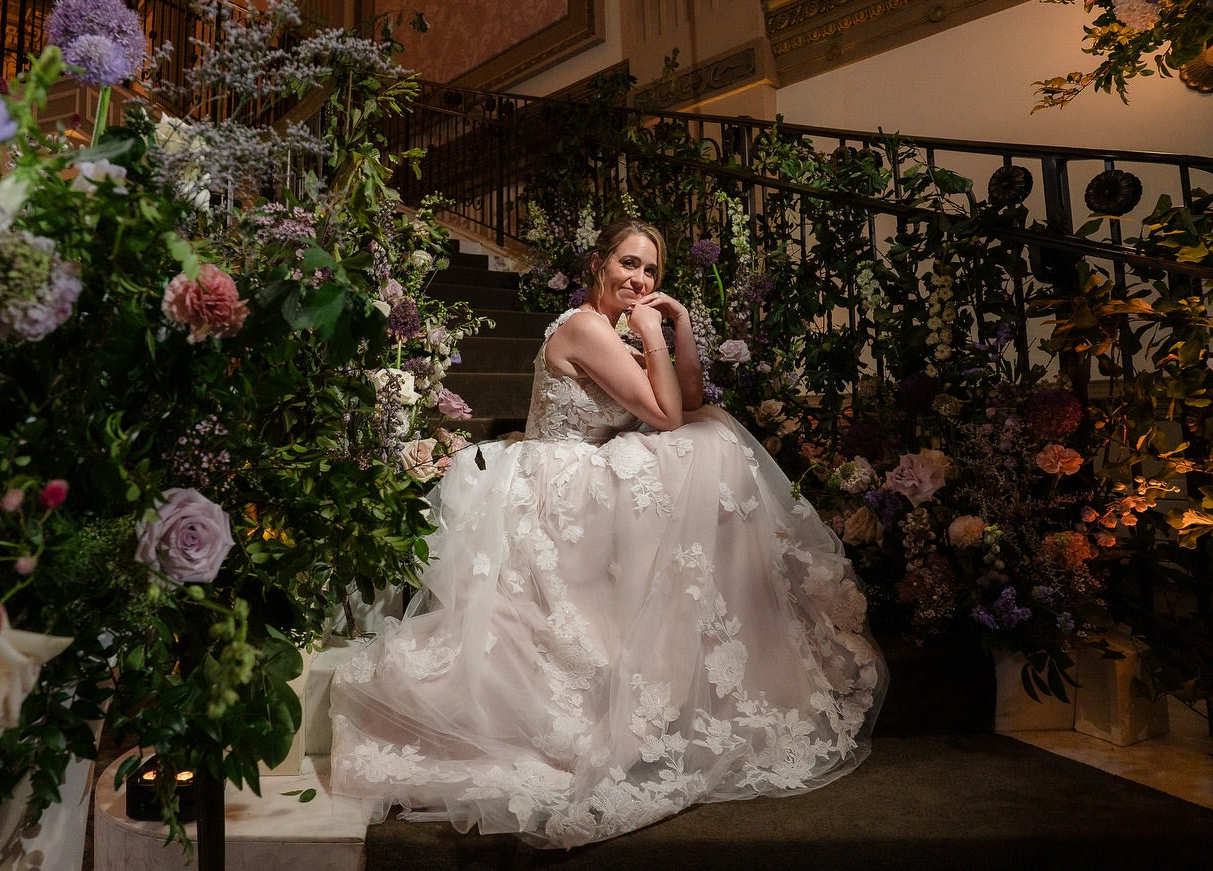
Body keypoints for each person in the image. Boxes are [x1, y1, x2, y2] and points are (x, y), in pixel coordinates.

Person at [330, 218, 887, 848]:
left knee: (718, 435)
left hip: (590, 468)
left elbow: (692, 394)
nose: (639, 279)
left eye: (651, 271)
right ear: (600, 264)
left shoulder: (621, 329)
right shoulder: (587, 327)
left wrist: (678, 329)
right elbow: (666, 415)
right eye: (628, 264)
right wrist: (650, 333)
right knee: (705, 446)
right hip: (557, 478)